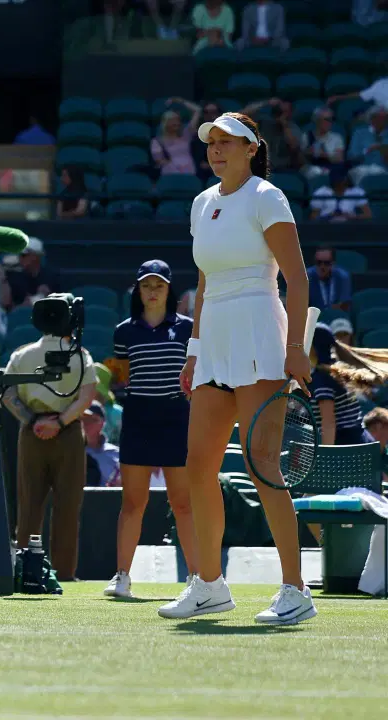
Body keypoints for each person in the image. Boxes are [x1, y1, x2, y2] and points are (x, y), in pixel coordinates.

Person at [159, 112, 314, 625]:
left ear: (252, 148)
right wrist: (193, 351)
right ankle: (209, 584)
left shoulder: (268, 197)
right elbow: (203, 285)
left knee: (261, 464)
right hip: (215, 345)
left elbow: (296, 276)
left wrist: (295, 347)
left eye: (229, 142)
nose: (218, 150)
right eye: (213, 143)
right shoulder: (202, 203)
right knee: (197, 467)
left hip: (260, 336)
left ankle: (296, 589)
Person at [104, 260, 199, 599]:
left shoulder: (189, 329)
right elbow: (124, 375)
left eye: (159, 285)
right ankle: (122, 577)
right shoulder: (124, 332)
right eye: (147, 285)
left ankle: (197, 579)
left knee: (183, 503)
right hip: (139, 417)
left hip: (177, 417)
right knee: (132, 502)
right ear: (139, 290)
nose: (153, 291)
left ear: (169, 289)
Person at [2, 330, 96, 583]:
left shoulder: (21, 354)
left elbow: (8, 395)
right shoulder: (81, 356)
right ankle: (64, 573)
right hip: (69, 433)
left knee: (29, 505)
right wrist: (62, 421)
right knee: (67, 506)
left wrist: (33, 419)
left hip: (33, 431)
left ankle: (24, 571)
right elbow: (87, 395)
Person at [310, 324, 388, 445]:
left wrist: (326, 455)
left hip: (346, 450)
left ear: (313, 349)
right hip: (360, 442)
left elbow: (329, 422)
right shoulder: (338, 369)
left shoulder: (321, 378)